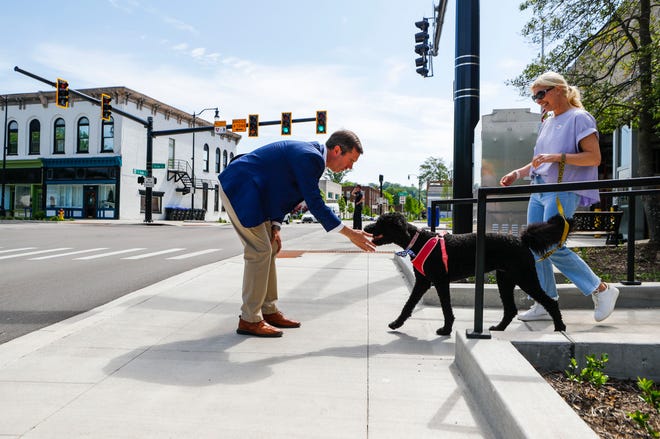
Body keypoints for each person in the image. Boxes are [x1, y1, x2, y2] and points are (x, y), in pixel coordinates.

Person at [218, 130, 376, 337]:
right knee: (259, 251)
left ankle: (268, 310)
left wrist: (275, 225)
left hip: (257, 195)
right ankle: (249, 319)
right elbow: (315, 203)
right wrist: (349, 233)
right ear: (337, 150)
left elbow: (281, 190)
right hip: (240, 189)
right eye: (351, 160)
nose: (350, 167)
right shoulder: (309, 157)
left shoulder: (311, 157)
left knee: (271, 248)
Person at [499, 71, 619, 323]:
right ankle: (545, 302)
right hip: (539, 189)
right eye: (534, 97)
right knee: (533, 246)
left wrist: (557, 157)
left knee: (552, 246)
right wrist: (518, 173)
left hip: (563, 189)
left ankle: (601, 289)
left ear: (559, 89)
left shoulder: (579, 118)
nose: (539, 101)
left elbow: (593, 157)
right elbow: (539, 161)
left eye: (541, 94)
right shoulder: (548, 121)